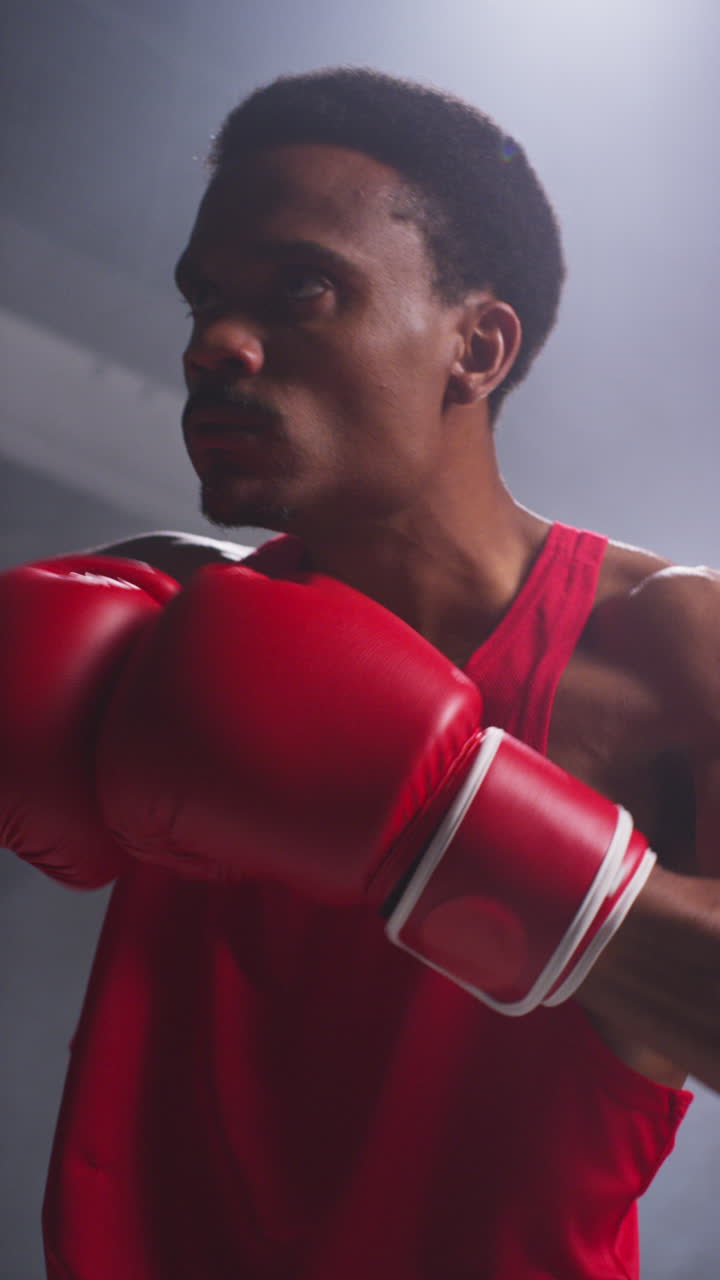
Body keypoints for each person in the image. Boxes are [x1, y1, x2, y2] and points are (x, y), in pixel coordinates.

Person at [5, 67, 720, 1279]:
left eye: (303, 288)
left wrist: (450, 821)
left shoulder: (666, 651)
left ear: (475, 346)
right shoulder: (152, 614)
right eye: (206, 298)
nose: (215, 344)